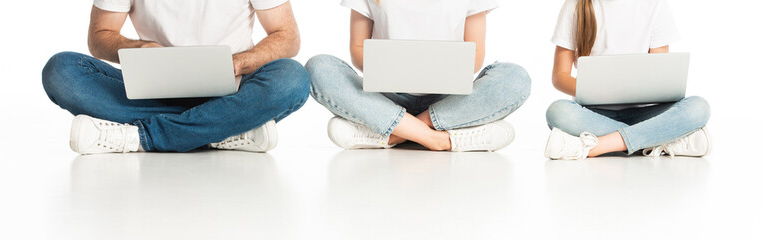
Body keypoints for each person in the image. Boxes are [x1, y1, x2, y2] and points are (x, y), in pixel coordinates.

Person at [42, 0, 310, 154]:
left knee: (293, 78)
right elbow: (100, 35)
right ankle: (221, 130)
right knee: (62, 71)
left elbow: (287, 36)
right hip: (151, 89)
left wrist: (238, 64)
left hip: (234, 90)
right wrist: (140, 49)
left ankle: (140, 137)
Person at [305, 0, 531, 152]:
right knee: (319, 67)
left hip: (448, 99)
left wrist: (436, 70)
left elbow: (475, 54)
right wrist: (394, 68)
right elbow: (358, 48)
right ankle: (440, 139)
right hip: (385, 97)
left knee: (516, 78)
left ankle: (395, 132)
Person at [544, 0, 711, 160]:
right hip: (593, 114)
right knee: (558, 112)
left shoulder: (654, 3)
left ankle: (598, 146)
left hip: (644, 114)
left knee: (698, 108)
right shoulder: (575, 4)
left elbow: (658, 75)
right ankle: (662, 139)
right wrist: (598, 92)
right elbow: (560, 76)